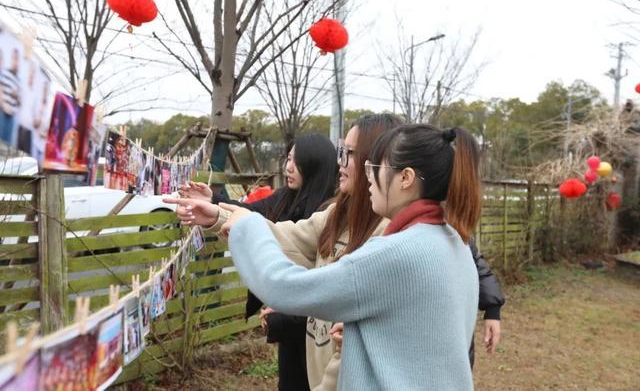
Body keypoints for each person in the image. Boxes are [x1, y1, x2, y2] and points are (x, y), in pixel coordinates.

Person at [165, 114, 504, 390]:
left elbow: (283, 286)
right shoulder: (448, 240)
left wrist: (246, 226)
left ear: (406, 178)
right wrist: (225, 216)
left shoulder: (396, 252)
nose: (366, 176)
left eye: (374, 167)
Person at [180, 133, 338, 391]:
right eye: (288, 158)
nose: (288, 167)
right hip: (289, 324)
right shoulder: (285, 197)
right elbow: (250, 213)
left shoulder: (328, 214)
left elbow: (324, 286)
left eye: (297, 162)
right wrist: (213, 202)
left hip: (315, 333)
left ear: (315, 165)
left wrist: (283, 317)